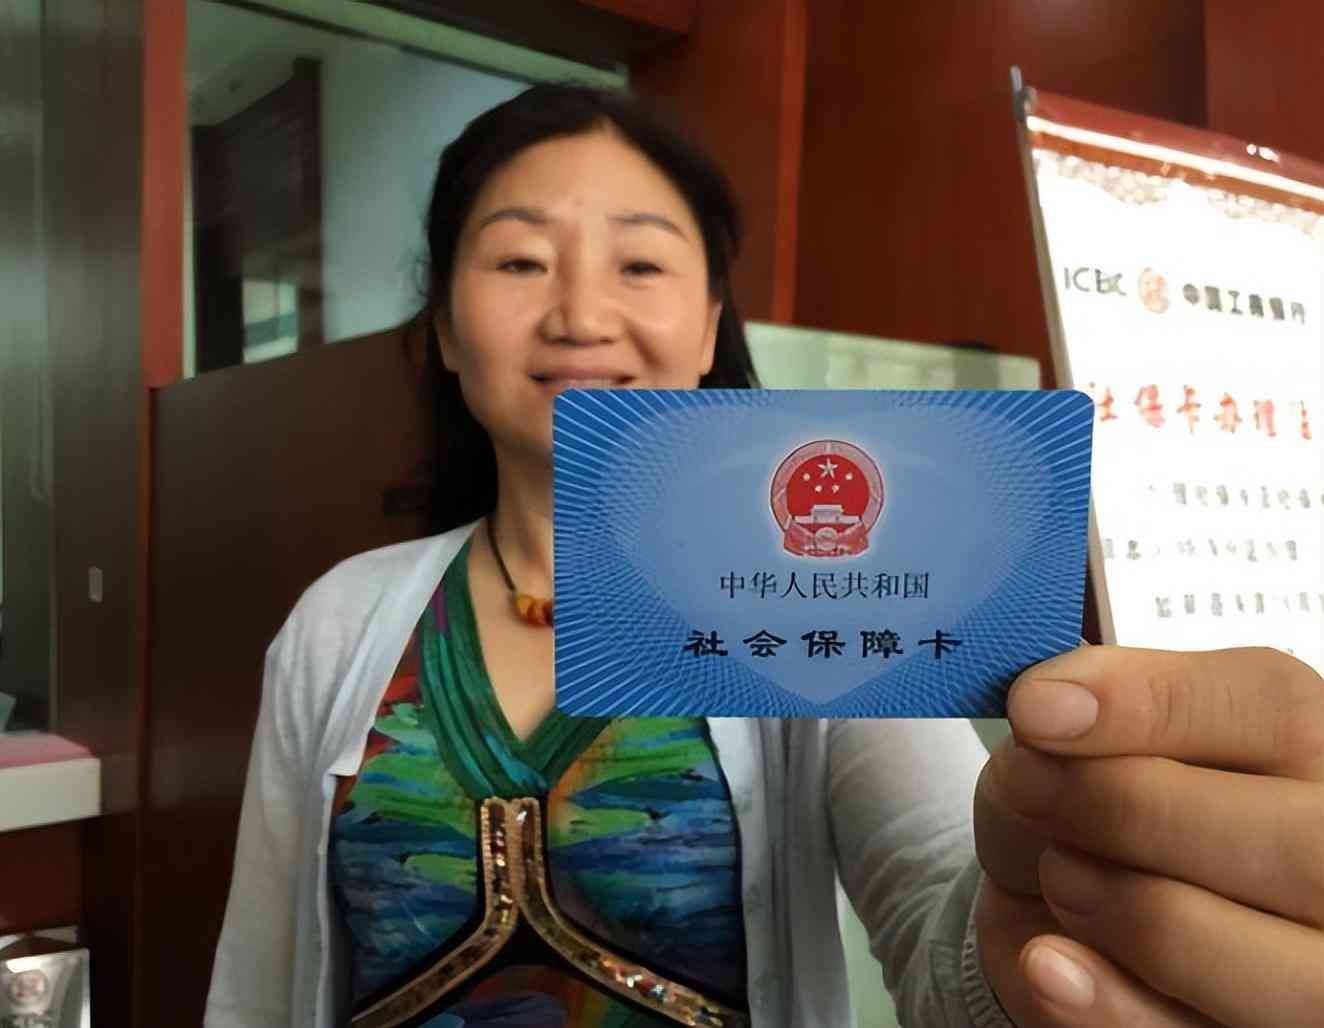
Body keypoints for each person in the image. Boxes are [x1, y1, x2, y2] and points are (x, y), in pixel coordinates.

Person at [205, 84, 1324, 1028]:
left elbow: (942, 920)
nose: (580, 312)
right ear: (447, 326)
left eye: (639, 264)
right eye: (519, 259)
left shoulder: (811, 599)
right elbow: (255, 988)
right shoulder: (340, 622)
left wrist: (1041, 922)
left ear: (707, 328)